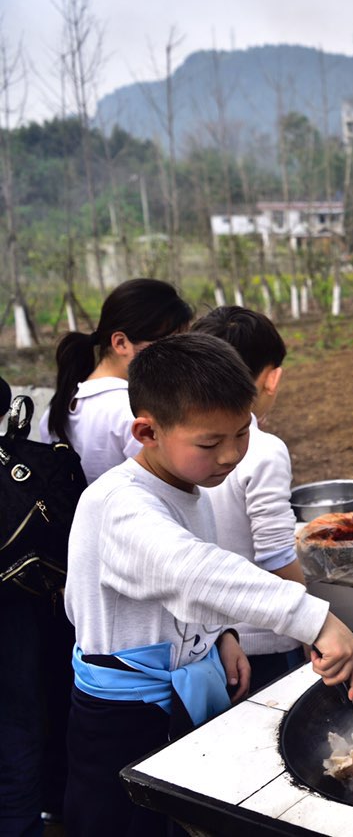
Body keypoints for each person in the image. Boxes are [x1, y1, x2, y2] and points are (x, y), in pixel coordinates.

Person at [62, 333, 353, 837]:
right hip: (124, 717)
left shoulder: (187, 487)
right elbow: (191, 571)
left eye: (241, 434)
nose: (230, 456)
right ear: (147, 431)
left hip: (179, 689)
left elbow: (176, 592)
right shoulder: (120, 505)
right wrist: (314, 618)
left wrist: (220, 634)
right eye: (210, 443)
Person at [2, 279, 192, 837]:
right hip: (137, 595)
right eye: (166, 343)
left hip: (69, 583)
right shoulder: (127, 411)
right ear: (122, 342)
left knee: (58, 708)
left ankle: (57, 806)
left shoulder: (65, 404)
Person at [190, 306, 308, 693]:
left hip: (209, 638)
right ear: (272, 378)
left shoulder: (178, 444)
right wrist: (311, 625)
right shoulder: (263, 449)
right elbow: (276, 556)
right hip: (263, 637)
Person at [41, 277, 193, 483]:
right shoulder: (136, 412)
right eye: (169, 346)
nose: (180, 357)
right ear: (121, 343)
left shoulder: (58, 407)